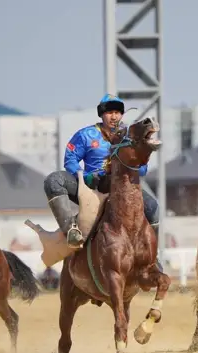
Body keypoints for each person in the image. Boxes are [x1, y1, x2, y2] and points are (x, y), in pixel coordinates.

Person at [43, 94, 160, 249]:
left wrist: (136, 168)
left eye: (117, 112)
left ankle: (152, 254)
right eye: (109, 112)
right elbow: (70, 159)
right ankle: (70, 230)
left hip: (122, 188)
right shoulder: (85, 135)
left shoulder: (130, 136)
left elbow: (143, 168)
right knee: (54, 180)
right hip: (91, 187)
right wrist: (85, 177)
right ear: (101, 114)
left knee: (152, 207)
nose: (114, 116)